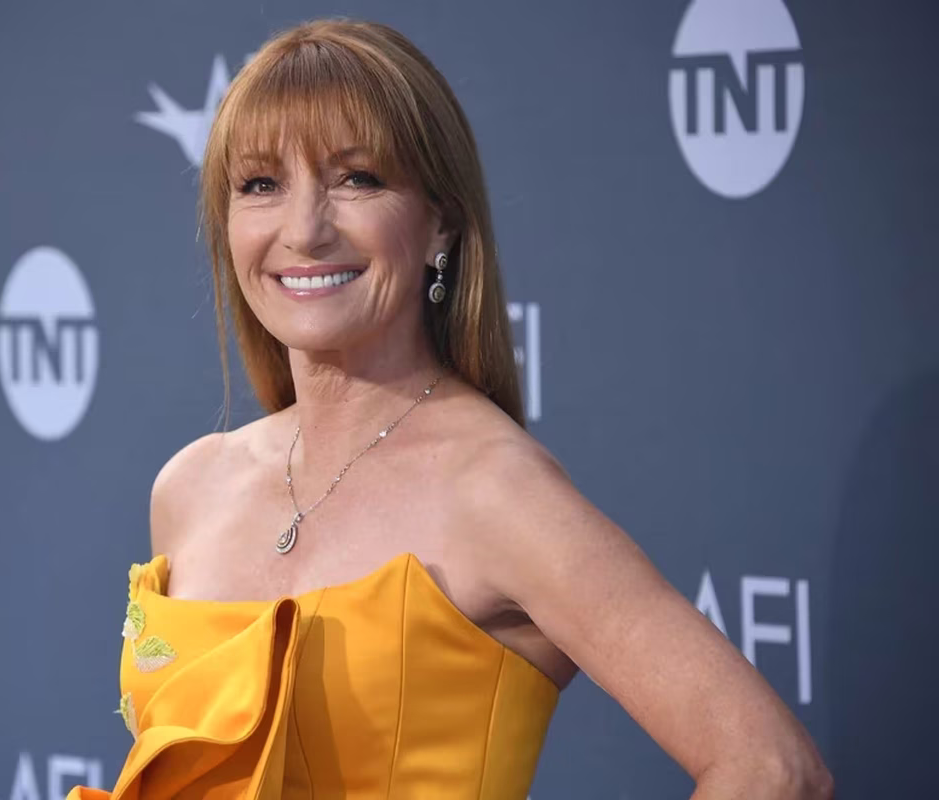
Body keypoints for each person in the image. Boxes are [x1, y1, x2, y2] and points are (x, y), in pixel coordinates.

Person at [69, 17, 833, 800]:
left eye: (356, 179)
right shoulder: (190, 487)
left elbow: (773, 768)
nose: (303, 230)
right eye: (260, 185)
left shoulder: (494, 490)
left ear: (441, 223)